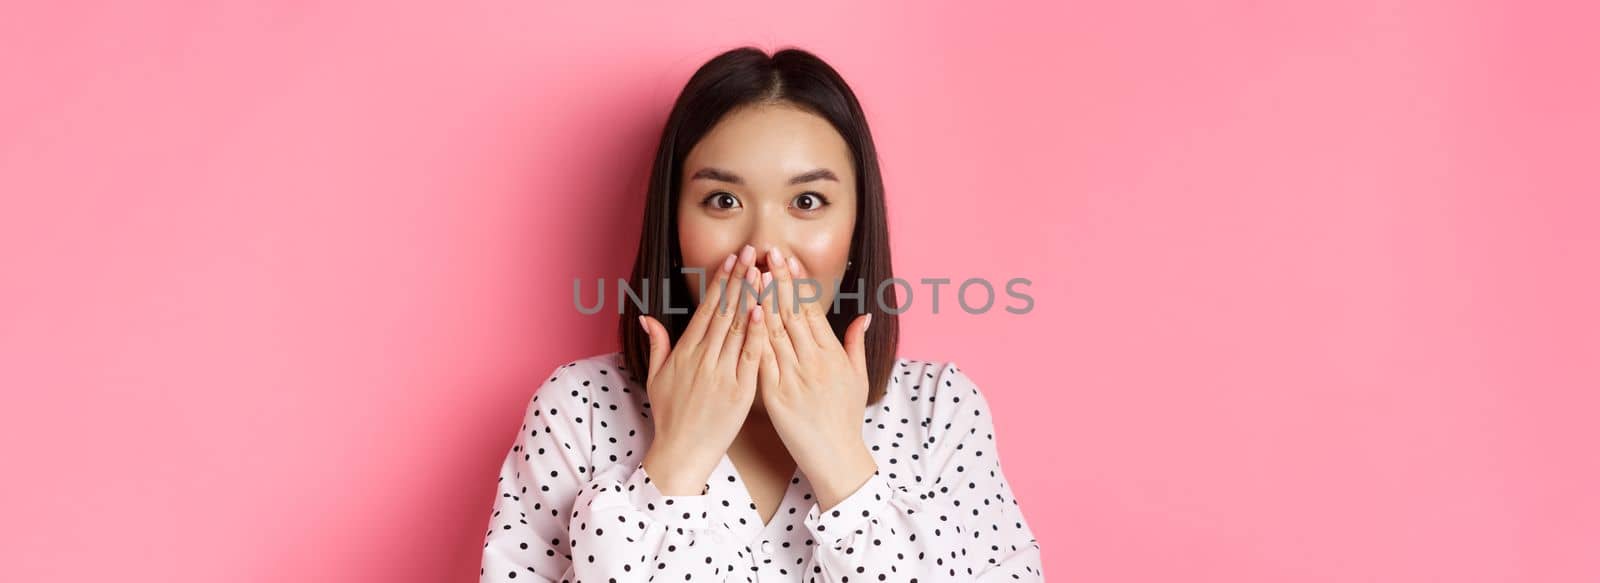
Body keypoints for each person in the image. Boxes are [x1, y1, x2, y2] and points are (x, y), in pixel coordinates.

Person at [478, 45, 1043, 582]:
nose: (766, 250)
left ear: (855, 231)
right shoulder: (581, 408)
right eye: (723, 201)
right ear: (674, 230)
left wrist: (842, 461)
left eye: (807, 202)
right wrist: (679, 459)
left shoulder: (939, 409)